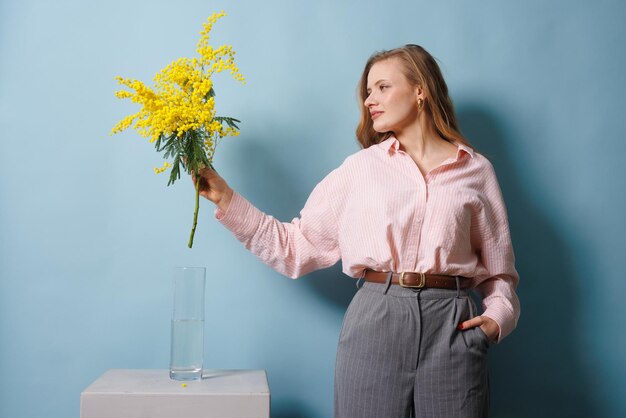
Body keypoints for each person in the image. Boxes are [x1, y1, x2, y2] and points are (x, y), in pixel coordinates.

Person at [194, 44, 520, 418]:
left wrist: (496, 319)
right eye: (367, 92)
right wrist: (226, 199)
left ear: (420, 91)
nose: (369, 100)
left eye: (382, 87)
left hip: (453, 326)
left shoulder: (476, 171)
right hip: (375, 323)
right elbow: (296, 248)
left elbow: (500, 273)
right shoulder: (360, 169)